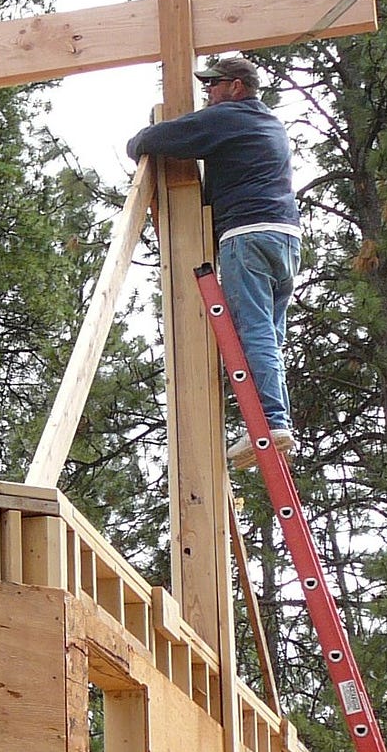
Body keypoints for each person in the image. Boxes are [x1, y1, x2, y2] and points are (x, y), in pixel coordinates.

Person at [126, 55, 302, 468]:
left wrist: (135, 144)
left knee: (254, 331)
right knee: (270, 337)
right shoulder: (269, 122)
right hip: (286, 239)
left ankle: (272, 422)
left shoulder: (229, 117)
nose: (208, 92)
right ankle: (276, 419)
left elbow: (162, 137)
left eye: (214, 84)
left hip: (248, 235)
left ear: (236, 87)